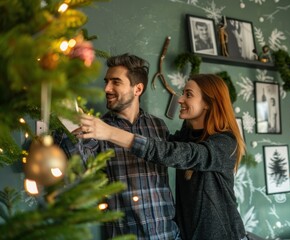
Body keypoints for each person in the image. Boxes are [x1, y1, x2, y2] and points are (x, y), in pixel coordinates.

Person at [77, 74, 249, 240]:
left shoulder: (225, 143)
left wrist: (110, 133)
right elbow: (161, 147)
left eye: (188, 95)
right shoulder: (186, 136)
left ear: (208, 103)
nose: (180, 99)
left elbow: (176, 153)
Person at [59, 53, 180, 239]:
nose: (107, 88)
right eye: (106, 81)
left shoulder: (158, 126)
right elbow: (78, 171)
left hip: (168, 234)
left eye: (116, 82)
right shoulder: (97, 128)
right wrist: (68, 129)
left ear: (137, 89)